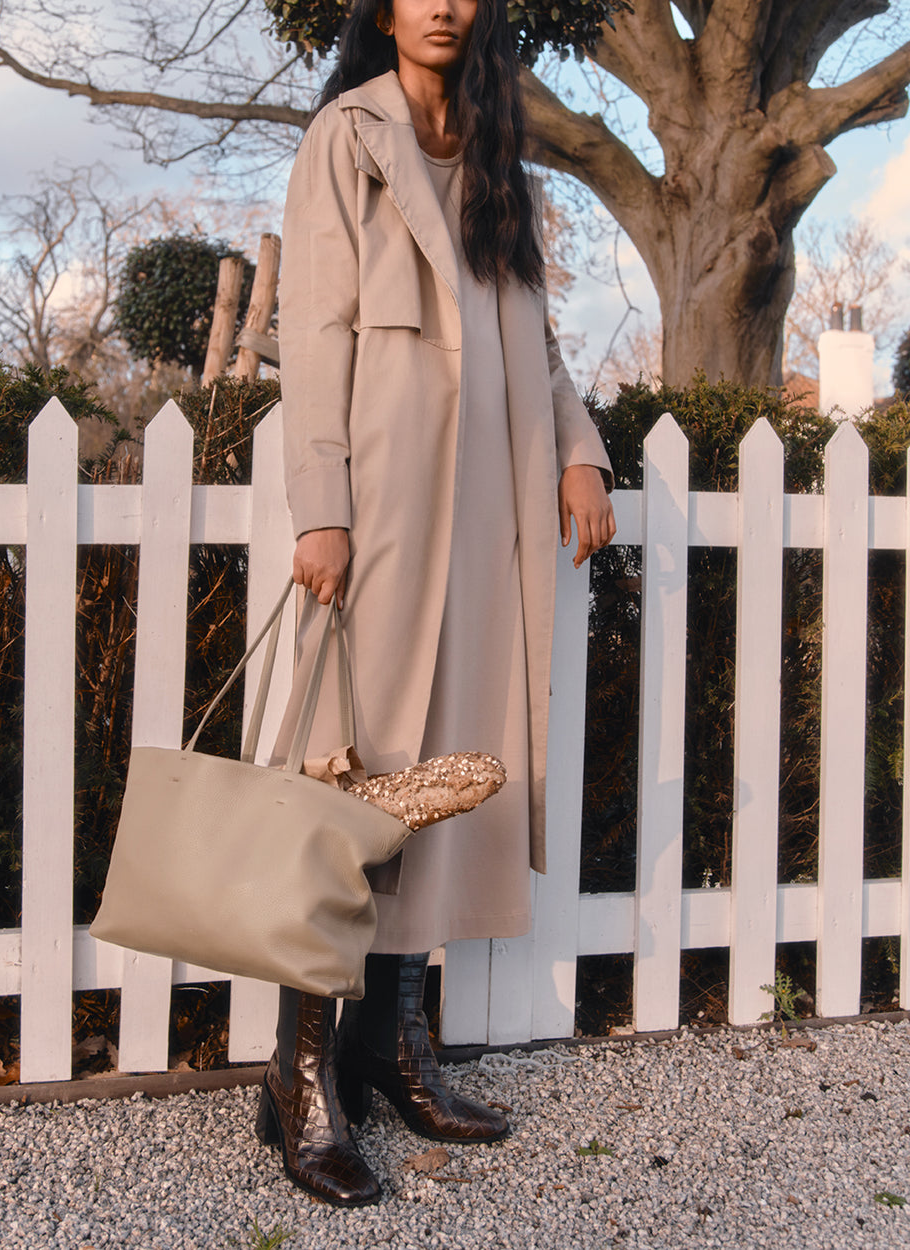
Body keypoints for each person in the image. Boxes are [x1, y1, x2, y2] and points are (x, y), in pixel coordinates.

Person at [255, 0, 616, 1207]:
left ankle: (393, 1042)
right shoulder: (345, 138)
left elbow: (542, 336)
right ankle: (300, 1074)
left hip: (493, 505)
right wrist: (321, 502)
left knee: (449, 771)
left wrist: (578, 446)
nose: (444, 4)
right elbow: (311, 326)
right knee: (349, 769)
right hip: (385, 494)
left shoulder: (498, 149)